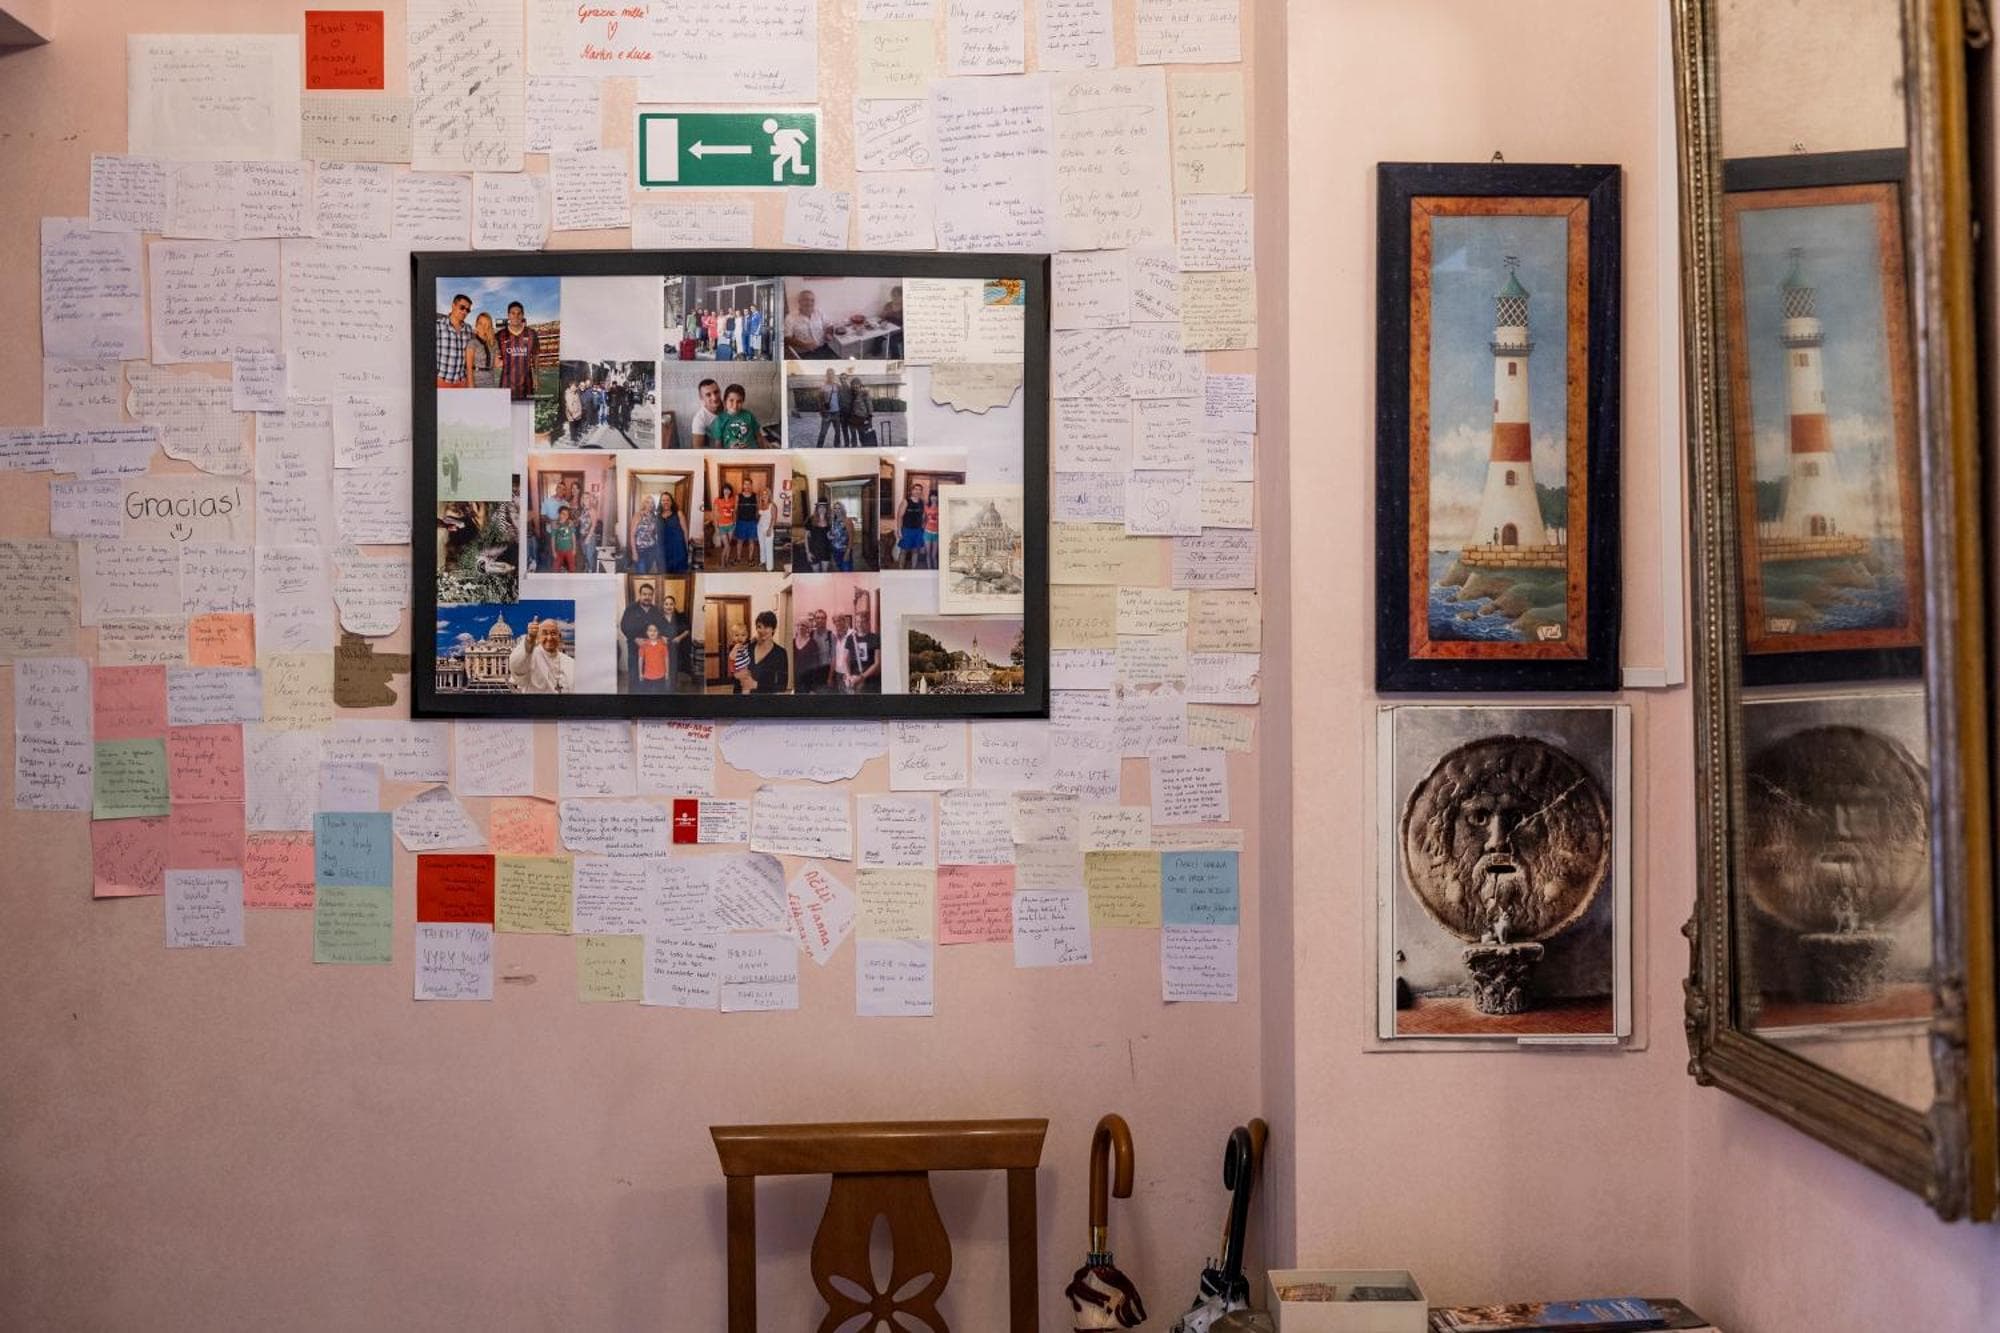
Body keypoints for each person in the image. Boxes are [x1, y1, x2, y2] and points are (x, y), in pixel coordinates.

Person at [621, 580, 670, 684]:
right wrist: (635, 639)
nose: (647, 597)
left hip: (651, 651)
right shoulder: (631, 609)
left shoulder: (656, 610)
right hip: (634, 648)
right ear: (640, 595)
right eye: (644, 594)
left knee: (649, 678)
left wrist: (663, 636)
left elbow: (664, 626)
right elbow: (624, 626)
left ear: (652, 596)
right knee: (634, 676)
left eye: (650, 594)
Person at [510, 618, 575, 693]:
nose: (549, 638)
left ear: (559, 637)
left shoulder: (571, 662)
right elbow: (517, 668)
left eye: (553, 633)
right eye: (545, 633)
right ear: (538, 637)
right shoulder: (530, 656)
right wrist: (529, 640)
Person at [736, 610, 788, 694]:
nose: (762, 630)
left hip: (766, 700)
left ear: (773, 629)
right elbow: (737, 682)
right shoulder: (748, 648)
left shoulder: (780, 653)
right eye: (759, 626)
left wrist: (756, 685)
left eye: (766, 627)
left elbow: (782, 686)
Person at [497, 300, 539, 401]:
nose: (516, 316)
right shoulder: (500, 335)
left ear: (523, 315)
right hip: (506, 384)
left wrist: (536, 376)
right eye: (513, 313)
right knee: (505, 409)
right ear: (508, 315)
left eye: (519, 313)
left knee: (526, 409)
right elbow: (493, 356)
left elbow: (535, 356)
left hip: (527, 384)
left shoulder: (532, 334)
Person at [435, 292, 473, 387]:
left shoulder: (468, 329)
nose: (465, 312)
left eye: (468, 310)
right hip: (442, 381)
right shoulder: (438, 325)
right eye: (462, 307)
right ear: (453, 305)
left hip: (462, 381)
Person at [843, 605, 881, 694]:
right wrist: (848, 676)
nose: (859, 624)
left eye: (863, 622)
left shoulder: (875, 638)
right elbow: (845, 659)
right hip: (853, 679)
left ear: (868, 622)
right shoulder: (850, 638)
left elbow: (877, 663)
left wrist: (862, 677)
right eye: (857, 622)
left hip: (871, 681)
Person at [785, 288, 832, 358]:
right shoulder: (790, 317)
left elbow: (829, 325)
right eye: (806, 300)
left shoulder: (819, 312)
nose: (809, 303)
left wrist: (828, 333)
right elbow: (787, 338)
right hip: (805, 353)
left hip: (824, 348)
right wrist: (805, 345)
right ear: (799, 301)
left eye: (812, 300)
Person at [793, 609, 831, 693]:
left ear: (807, 628)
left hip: (808, 681)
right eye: (798, 625)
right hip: (794, 681)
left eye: (803, 625)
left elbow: (815, 666)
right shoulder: (792, 642)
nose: (800, 627)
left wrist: (812, 688)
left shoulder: (812, 643)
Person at [712, 384, 761, 449]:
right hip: (731, 453)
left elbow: (758, 436)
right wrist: (729, 450)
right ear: (725, 401)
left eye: (739, 401)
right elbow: (718, 445)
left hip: (752, 451)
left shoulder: (749, 415)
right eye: (731, 400)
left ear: (743, 402)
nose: (735, 405)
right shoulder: (719, 420)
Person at [465, 312, 502, 388]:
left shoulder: (494, 343)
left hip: (490, 380)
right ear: (476, 325)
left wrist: (512, 358)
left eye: (486, 324)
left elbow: (496, 364)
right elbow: (469, 368)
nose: (483, 327)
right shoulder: (472, 343)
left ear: (489, 326)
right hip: (476, 381)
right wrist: (471, 387)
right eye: (480, 323)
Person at [896, 483, 927, 570]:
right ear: (912, 491)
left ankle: (913, 570)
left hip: (918, 530)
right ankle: (900, 571)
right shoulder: (906, 501)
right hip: (907, 530)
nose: (917, 491)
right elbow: (899, 516)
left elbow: (924, 516)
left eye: (919, 490)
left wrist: (923, 528)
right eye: (915, 489)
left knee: (915, 551)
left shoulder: (922, 502)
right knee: (903, 551)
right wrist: (899, 530)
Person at [631, 494, 663, 574]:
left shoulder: (653, 517)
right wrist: (634, 552)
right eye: (647, 502)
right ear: (644, 503)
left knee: (647, 571)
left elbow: (654, 533)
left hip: (652, 549)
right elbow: (632, 535)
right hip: (640, 550)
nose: (650, 505)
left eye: (652, 503)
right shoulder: (638, 515)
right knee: (641, 573)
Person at [660, 493, 690, 574]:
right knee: (667, 572)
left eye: (668, 500)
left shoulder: (678, 513)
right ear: (661, 502)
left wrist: (686, 547)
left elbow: (685, 531)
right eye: (663, 500)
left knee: (679, 571)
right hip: (665, 548)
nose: (665, 502)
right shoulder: (658, 516)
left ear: (671, 502)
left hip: (678, 548)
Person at [732, 484, 760, 568]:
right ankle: (738, 558)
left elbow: (758, 508)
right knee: (740, 541)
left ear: (751, 485)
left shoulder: (755, 496)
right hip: (741, 522)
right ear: (743, 486)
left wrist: (757, 520)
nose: (747, 486)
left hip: (752, 522)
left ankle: (750, 559)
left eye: (749, 484)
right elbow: (735, 509)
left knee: (751, 541)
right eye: (745, 484)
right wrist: (734, 521)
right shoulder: (738, 496)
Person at [690, 378, 723, 448]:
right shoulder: (699, 419)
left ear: (720, 392)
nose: (714, 398)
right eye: (708, 395)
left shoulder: (731, 406)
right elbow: (697, 448)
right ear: (701, 397)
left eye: (716, 392)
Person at [816, 370, 845, 448]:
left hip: (837, 413)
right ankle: (818, 448)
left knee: (838, 432)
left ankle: (837, 446)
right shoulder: (823, 386)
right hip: (827, 413)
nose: (830, 376)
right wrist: (821, 410)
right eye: (829, 374)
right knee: (823, 432)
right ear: (826, 375)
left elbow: (844, 394)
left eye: (832, 374)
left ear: (834, 375)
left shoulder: (838, 386)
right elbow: (819, 399)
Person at [845, 374, 876, 447]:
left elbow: (869, 405)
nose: (855, 386)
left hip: (861, 418)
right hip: (851, 419)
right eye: (853, 384)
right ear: (851, 385)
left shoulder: (864, 393)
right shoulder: (850, 394)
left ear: (860, 385)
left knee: (862, 436)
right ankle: (854, 448)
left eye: (857, 384)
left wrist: (869, 418)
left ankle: (863, 448)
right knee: (853, 437)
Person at [804, 500, 833, 573]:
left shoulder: (829, 520)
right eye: (820, 507)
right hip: (814, 551)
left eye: (824, 507)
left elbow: (829, 536)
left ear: (826, 509)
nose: (822, 509)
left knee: (824, 572)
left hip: (826, 550)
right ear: (817, 508)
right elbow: (806, 538)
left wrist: (831, 537)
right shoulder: (810, 519)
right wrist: (808, 552)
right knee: (816, 573)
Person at [548, 504, 579, 572]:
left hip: (569, 549)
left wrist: (574, 549)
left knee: (572, 566)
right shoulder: (555, 525)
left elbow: (573, 537)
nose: (565, 516)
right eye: (563, 513)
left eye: (567, 514)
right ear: (559, 514)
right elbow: (553, 539)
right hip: (559, 550)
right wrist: (553, 551)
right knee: (556, 567)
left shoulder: (570, 524)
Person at [714, 484, 737, 566]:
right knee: (726, 545)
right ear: (722, 490)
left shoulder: (733, 499)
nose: (727, 491)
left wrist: (734, 523)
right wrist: (716, 528)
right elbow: (715, 515)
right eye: (725, 489)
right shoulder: (718, 500)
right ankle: (722, 561)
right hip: (722, 526)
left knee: (728, 545)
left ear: (730, 491)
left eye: (728, 489)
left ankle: (727, 560)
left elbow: (734, 512)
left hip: (731, 526)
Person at [580, 489, 601, 572]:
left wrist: (588, 538)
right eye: (583, 498)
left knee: (589, 555)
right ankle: (587, 568)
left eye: (587, 498)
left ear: (590, 499)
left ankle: (591, 571)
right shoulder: (584, 510)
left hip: (590, 536)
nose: (585, 499)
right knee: (585, 554)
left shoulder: (592, 510)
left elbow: (594, 525)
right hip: (582, 535)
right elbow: (583, 522)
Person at [829, 500, 853, 572]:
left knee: (847, 571)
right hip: (835, 550)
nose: (837, 510)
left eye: (839, 508)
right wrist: (829, 536)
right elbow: (833, 534)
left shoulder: (847, 520)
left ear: (842, 509)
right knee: (840, 569)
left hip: (844, 551)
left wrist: (848, 552)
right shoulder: (833, 521)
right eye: (835, 508)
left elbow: (851, 538)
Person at [881, 285, 904, 360]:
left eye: (898, 296)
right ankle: (876, 351)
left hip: (900, 331)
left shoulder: (905, 307)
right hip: (888, 328)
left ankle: (896, 358)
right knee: (877, 336)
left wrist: (898, 330)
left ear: (902, 296)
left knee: (892, 340)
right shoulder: (888, 305)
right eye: (893, 295)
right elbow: (882, 317)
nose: (895, 297)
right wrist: (883, 318)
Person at [757, 487, 775, 570]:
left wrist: (770, 529)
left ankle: (769, 567)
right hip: (760, 527)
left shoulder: (772, 506)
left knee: (768, 547)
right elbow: (759, 515)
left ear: (769, 495)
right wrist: (759, 502)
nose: (764, 495)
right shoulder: (761, 504)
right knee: (762, 545)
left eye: (766, 494)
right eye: (762, 494)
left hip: (768, 528)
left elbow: (773, 518)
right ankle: (763, 560)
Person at [563, 377, 585, 444]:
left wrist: (580, 411)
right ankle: (573, 438)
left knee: (576, 425)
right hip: (572, 414)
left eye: (576, 386)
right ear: (571, 386)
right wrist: (573, 414)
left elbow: (579, 402)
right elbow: (569, 406)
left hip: (577, 413)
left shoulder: (575, 393)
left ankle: (576, 435)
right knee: (572, 426)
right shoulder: (568, 394)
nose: (576, 388)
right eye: (575, 386)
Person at [923, 491, 939, 570]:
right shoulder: (926, 507)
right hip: (927, 532)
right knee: (928, 553)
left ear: (938, 497)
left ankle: (935, 570)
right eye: (932, 496)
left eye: (935, 496)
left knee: (934, 555)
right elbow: (923, 518)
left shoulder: (941, 507)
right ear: (929, 497)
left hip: (937, 533)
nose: (933, 498)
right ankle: (929, 570)